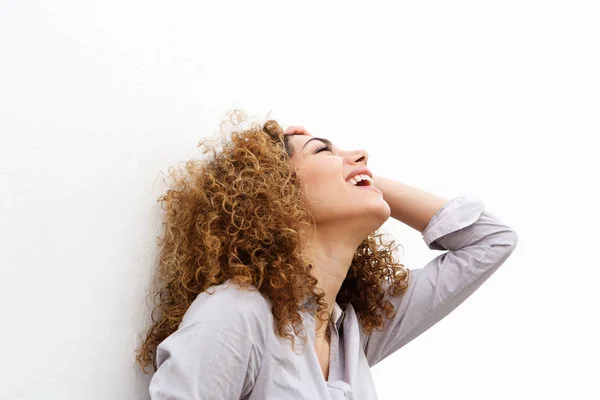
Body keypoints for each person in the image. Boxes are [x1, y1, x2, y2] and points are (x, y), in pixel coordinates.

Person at [136, 110, 519, 399]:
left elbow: (490, 241)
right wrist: (352, 173)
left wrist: (359, 175)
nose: (360, 154)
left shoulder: (354, 330)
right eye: (322, 149)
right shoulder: (235, 313)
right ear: (276, 190)